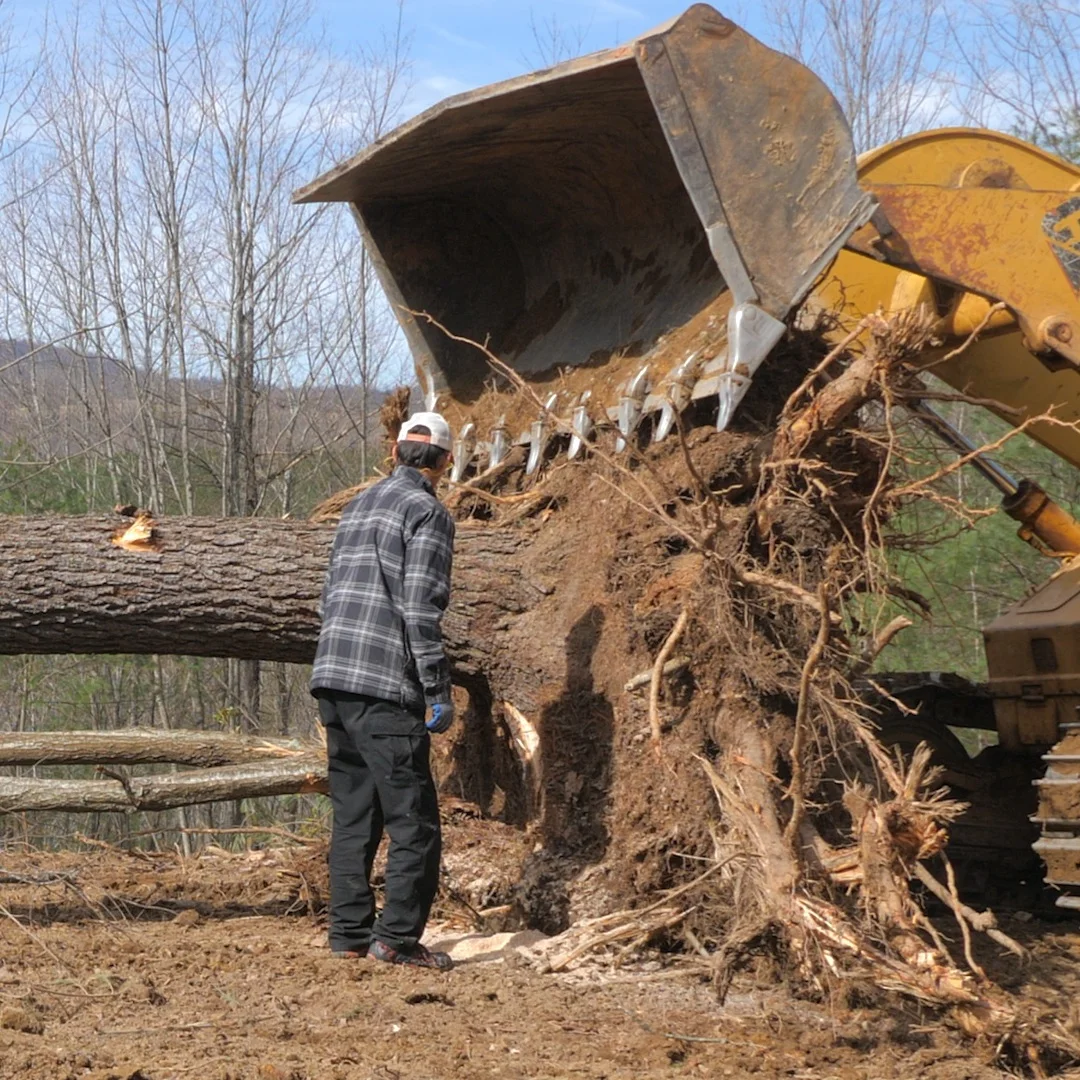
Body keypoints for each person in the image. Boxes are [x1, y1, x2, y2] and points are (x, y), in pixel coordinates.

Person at [311, 411, 457, 971]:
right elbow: (420, 608)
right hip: (384, 688)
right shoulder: (427, 511)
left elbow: (327, 600)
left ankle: (348, 934)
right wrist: (436, 687)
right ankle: (395, 938)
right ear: (444, 462)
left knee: (353, 817)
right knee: (413, 819)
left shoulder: (356, 507)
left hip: (332, 679)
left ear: (394, 454)